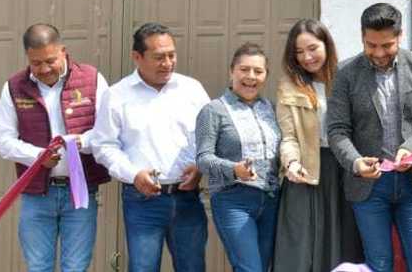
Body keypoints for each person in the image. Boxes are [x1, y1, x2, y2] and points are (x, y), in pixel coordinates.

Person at [327, 3, 412, 272]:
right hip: (368, 187)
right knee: (379, 264)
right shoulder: (345, 73)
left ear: (400, 36)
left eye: (387, 45)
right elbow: (337, 130)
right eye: (371, 45)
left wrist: (411, 148)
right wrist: (356, 163)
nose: (378, 53)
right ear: (362, 37)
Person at [91, 22, 210, 272]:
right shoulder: (117, 95)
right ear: (137, 57)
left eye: (171, 55)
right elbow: (103, 146)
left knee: (193, 267)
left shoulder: (192, 89)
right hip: (142, 200)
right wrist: (133, 174)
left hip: (187, 197)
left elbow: (208, 136)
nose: (167, 63)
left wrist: (200, 165)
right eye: (159, 57)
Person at [0, 23, 111, 272]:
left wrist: (83, 142)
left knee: (76, 267)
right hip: (36, 196)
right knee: (38, 266)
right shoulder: (14, 87)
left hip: (79, 193)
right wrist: (37, 156)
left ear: (63, 51)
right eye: (36, 63)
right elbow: (3, 141)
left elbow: (107, 132)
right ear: (27, 57)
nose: (44, 69)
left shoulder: (92, 79)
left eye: (50, 60)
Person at [273, 18, 364, 271]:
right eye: (299, 52)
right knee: (300, 247)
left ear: (327, 44)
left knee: (344, 242)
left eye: (312, 48)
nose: (307, 57)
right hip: (307, 171)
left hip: (346, 168)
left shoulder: (349, 79)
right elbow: (288, 136)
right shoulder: (289, 86)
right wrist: (291, 163)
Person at [195, 43, 281, 272]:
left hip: (272, 200)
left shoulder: (272, 109)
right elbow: (203, 158)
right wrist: (234, 169)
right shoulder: (213, 110)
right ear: (231, 71)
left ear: (266, 75)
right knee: (250, 269)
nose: (251, 77)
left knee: (263, 268)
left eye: (258, 71)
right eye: (244, 69)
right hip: (234, 200)